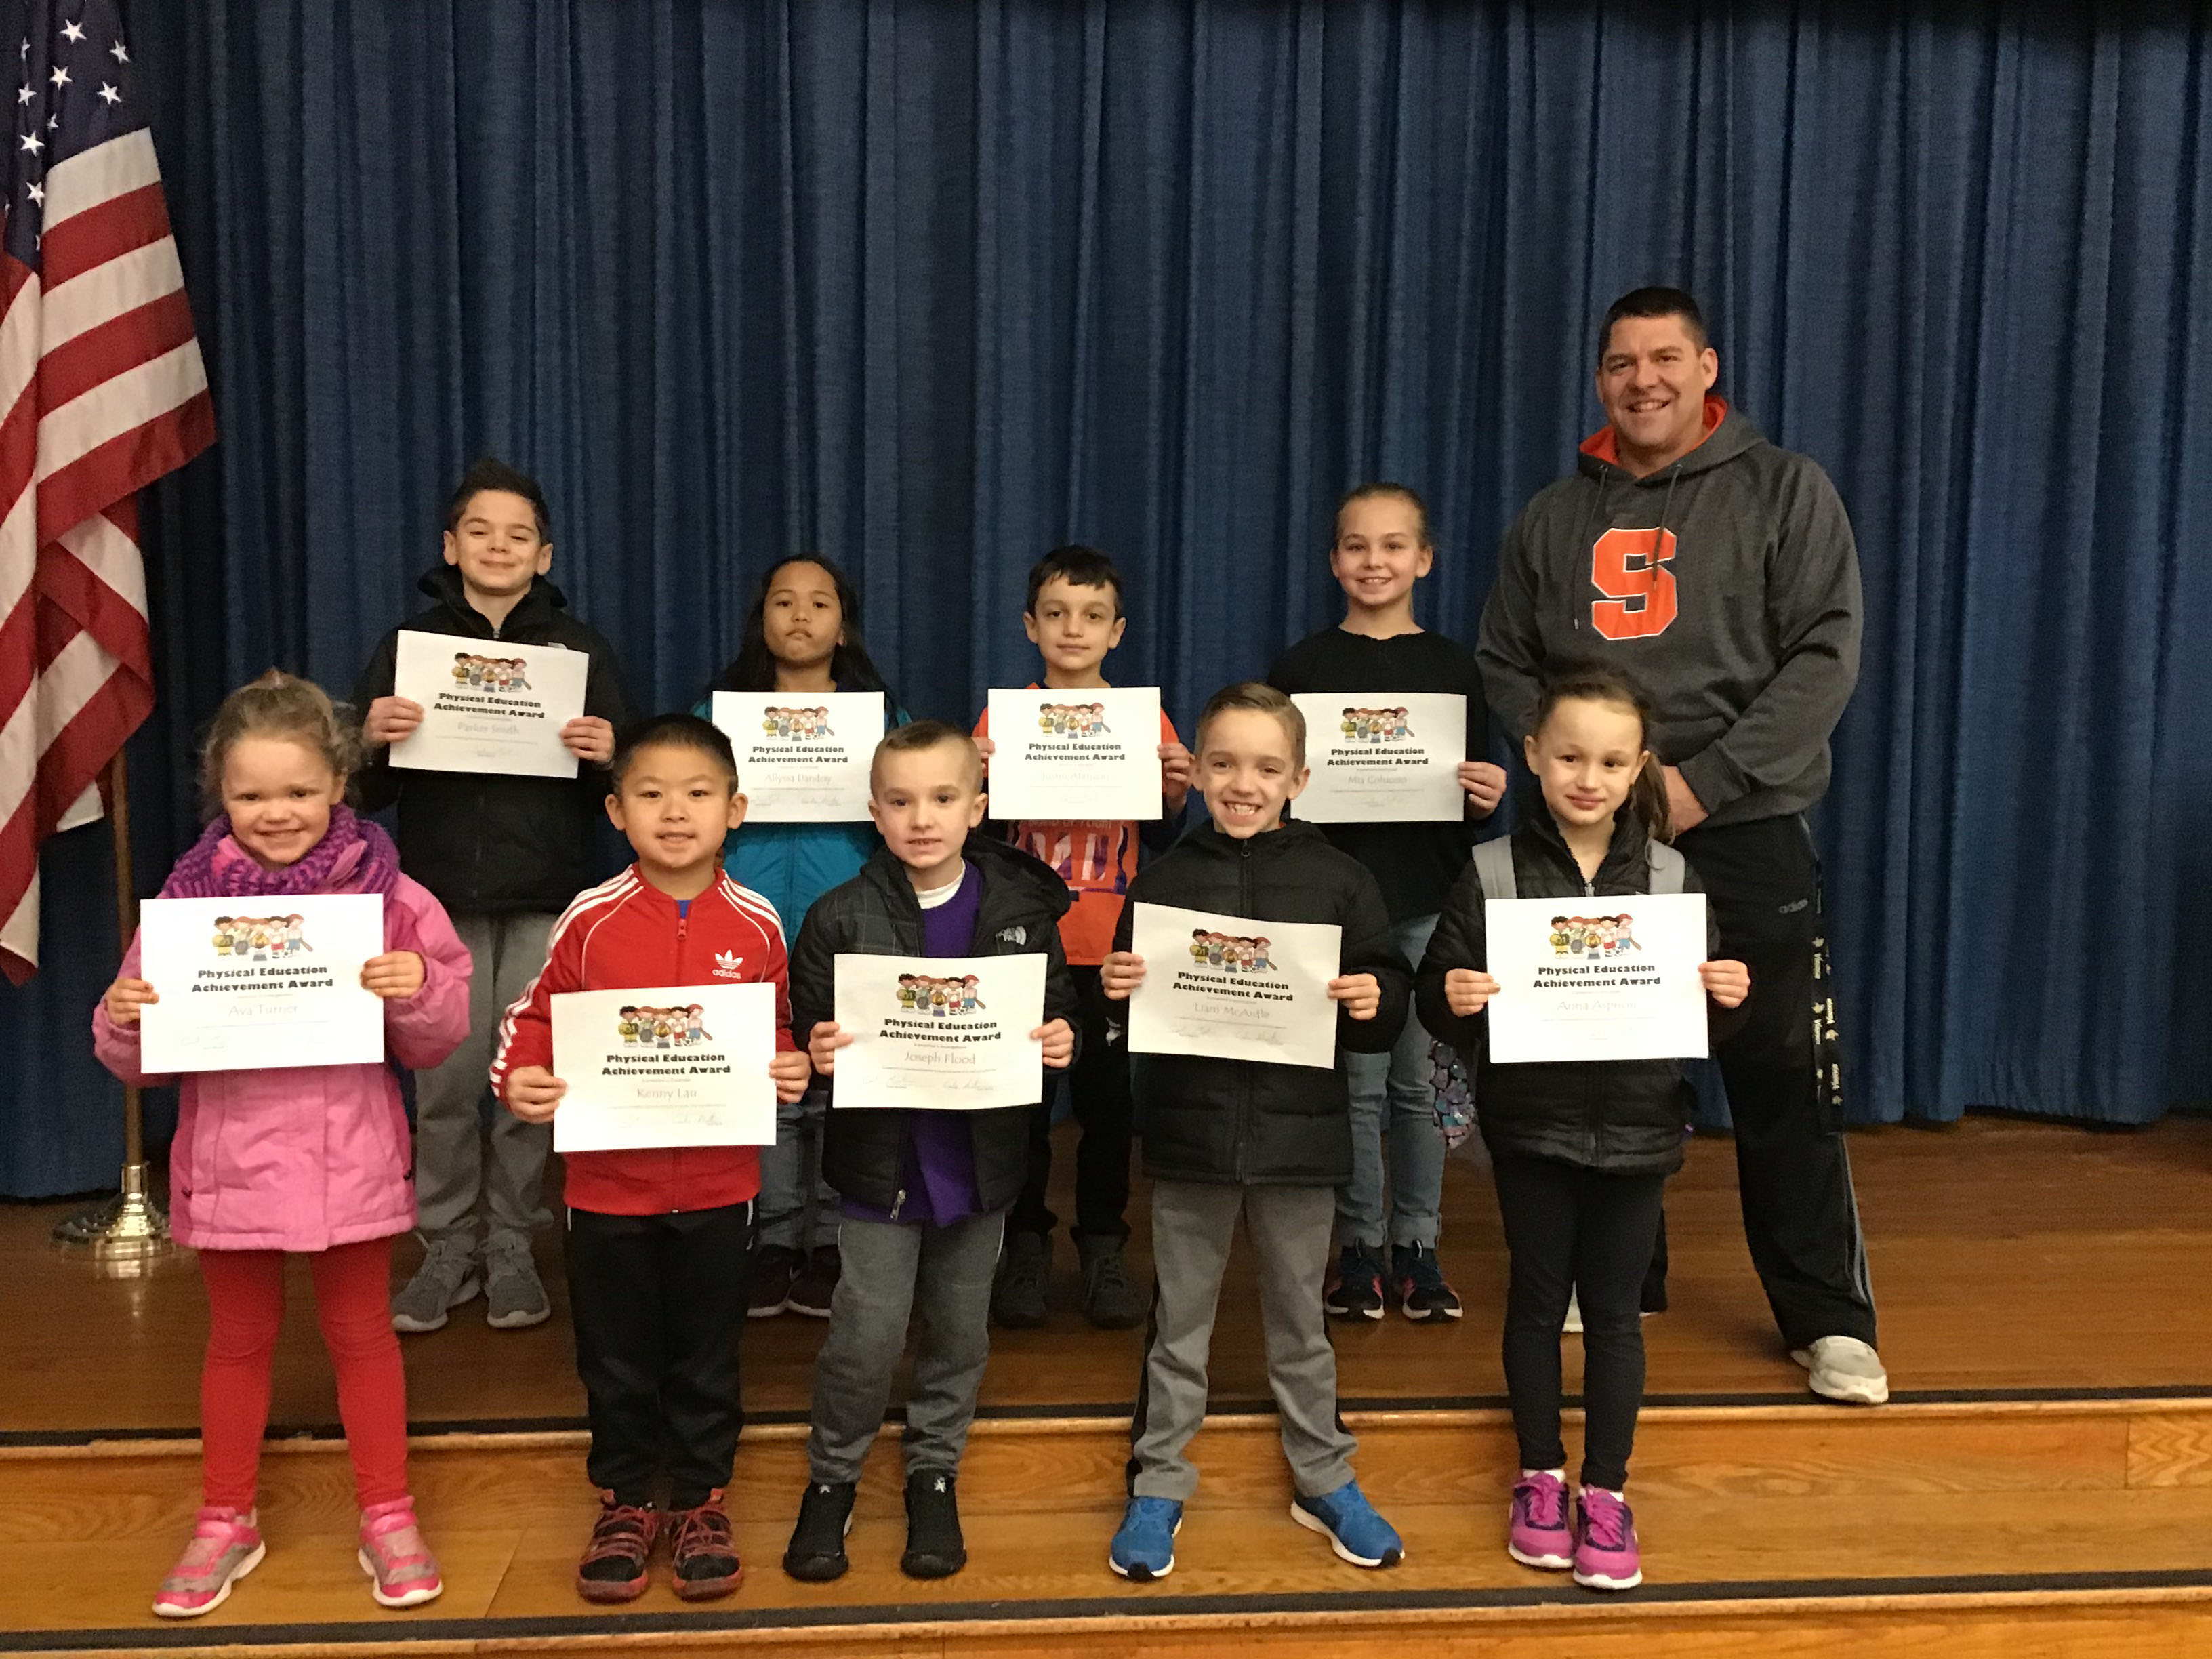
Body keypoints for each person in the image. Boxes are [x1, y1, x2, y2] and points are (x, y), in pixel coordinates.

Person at [1477, 285, 1883, 1405]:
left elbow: (1821, 656)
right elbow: (1503, 656)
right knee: (1591, 1057)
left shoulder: (1782, 490)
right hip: (1585, 836)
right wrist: (1572, 765)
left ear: (1707, 367)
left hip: (1739, 827)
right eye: (1619, 363)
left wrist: (1699, 784)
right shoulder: (1554, 514)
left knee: (1779, 1072)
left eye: (1664, 358)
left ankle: (1824, 1316)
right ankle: (1606, 1275)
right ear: (1598, 378)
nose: (1641, 380)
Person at [94, 672, 470, 1618]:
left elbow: (438, 1034)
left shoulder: (389, 896)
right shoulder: (184, 908)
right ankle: (227, 1518)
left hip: (352, 1157)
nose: (276, 813)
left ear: (340, 784)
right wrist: (124, 1014)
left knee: (361, 1337)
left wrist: (415, 983)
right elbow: (136, 1064)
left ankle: (387, 1513)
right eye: (251, 795)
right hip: (231, 1166)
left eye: (298, 791)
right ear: (220, 795)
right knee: (238, 1342)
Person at [1417, 665, 1748, 1591]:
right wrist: (1451, 995)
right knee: (1534, 1302)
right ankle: (1538, 1476)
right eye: (1568, 757)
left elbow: (1706, 1024)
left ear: (1640, 764)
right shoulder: (1490, 870)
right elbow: (1438, 998)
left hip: (1642, 1129)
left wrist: (1730, 999)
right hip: (1532, 1127)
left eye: (1610, 761)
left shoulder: (1676, 873)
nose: (1588, 778)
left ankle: (1606, 1490)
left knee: (1613, 1315)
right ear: (1532, 755)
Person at [493, 714, 813, 1603]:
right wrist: (521, 1077)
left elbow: (775, 1025)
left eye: (698, 794)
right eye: (651, 795)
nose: (676, 813)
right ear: (615, 811)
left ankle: (704, 1501)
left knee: (708, 1355)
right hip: (605, 1192)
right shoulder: (590, 919)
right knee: (617, 1355)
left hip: (720, 1189)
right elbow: (534, 1021)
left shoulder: (755, 924)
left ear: (736, 810)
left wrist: (788, 1064)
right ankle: (628, 1499)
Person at [1103, 684, 1411, 1582]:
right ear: (1195, 772)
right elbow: (1127, 1015)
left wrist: (1374, 997)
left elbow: (1388, 997)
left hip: (1300, 1143)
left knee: (1300, 1322)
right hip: (1190, 1137)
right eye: (1225, 764)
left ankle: (1323, 1476)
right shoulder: (1163, 880)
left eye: (1267, 767)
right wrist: (1115, 990)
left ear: (1299, 778)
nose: (1244, 783)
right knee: (1180, 1324)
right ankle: (1158, 1480)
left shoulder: (1342, 880)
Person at [780, 721, 1078, 1584]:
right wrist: (818, 1047)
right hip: (882, 1168)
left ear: (977, 807)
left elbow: (1055, 1014)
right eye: (901, 801)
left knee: (957, 1331)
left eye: (943, 799)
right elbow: (808, 1031)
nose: (923, 818)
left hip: (980, 1167)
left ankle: (933, 1468)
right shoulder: (838, 916)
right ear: (874, 812)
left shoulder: (1020, 912)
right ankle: (832, 1477)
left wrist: (1063, 1040)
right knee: (864, 1338)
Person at [353, 457, 638, 1334]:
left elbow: (631, 794)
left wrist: (609, 753)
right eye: (481, 531)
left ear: (545, 555)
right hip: (435, 902)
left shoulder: (579, 649)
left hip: (546, 897)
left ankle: (512, 1238)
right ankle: (447, 1245)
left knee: (527, 1080)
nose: (499, 546)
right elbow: (361, 794)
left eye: (519, 535)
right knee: (443, 1085)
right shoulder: (410, 648)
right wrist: (367, 738)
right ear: (451, 545)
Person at [1267, 485, 1507, 1322]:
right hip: (1335, 910)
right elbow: (1274, 786)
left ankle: (1420, 1244)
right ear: (1335, 561)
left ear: (1424, 560)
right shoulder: (1301, 668)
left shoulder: (1454, 669)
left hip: (1430, 905)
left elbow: (1478, 793)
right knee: (1356, 1088)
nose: (1376, 562)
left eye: (1394, 546)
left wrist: (1487, 794)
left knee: (1419, 1087)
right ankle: (1360, 1247)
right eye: (1358, 547)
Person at [972, 546, 1192, 1330]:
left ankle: (1103, 1244)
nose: (1075, 629)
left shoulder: (1145, 720)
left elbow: (1165, 841)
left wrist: (1174, 794)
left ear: (1117, 631)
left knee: (1108, 1109)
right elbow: (978, 835)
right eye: (1058, 614)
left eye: (1093, 616)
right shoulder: (1003, 719)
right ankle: (1024, 1244)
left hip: (1114, 950)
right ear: (1032, 626)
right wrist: (978, 782)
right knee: (1024, 1109)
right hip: (1024, 946)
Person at [701, 556, 909, 1323]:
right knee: (771, 1085)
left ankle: (830, 1240)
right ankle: (777, 1239)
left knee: (837, 1082)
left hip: (849, 925)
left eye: (818, 603)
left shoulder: (881, 721)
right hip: (743, 922)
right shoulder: (716, 718)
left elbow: (908, 813)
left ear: (842, 624)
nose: (799, 615)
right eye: (782, 600)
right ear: (762, 618)